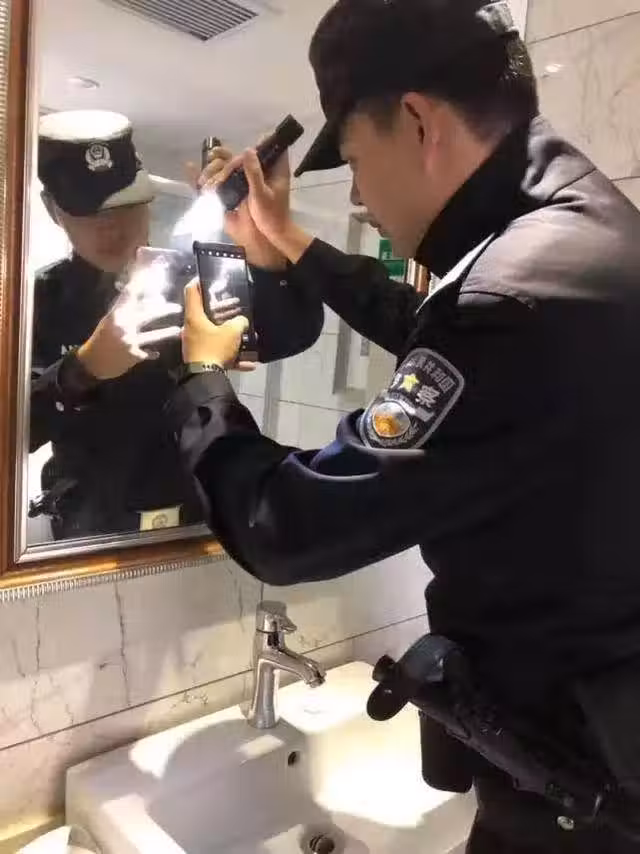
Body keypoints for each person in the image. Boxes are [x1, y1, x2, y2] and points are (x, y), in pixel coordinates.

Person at [167, 0, 640, 851]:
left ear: (418, 121)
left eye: (353, 158)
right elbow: (434, 327)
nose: (357, 192)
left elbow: (285, 527)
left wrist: (203, 372)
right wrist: (284, 237)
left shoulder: (512, 300)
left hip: (579, 797)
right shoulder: (585, 235)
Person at [30, 110, 323, 539]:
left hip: (196, 529)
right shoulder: (32, 302)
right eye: (90, 211)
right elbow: (18, 432)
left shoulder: (197, 279)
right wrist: (83, 369)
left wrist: (263, 241)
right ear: (53, 209)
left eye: (126, 203)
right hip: (88, 535)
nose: (113, 226)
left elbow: (291, 334)